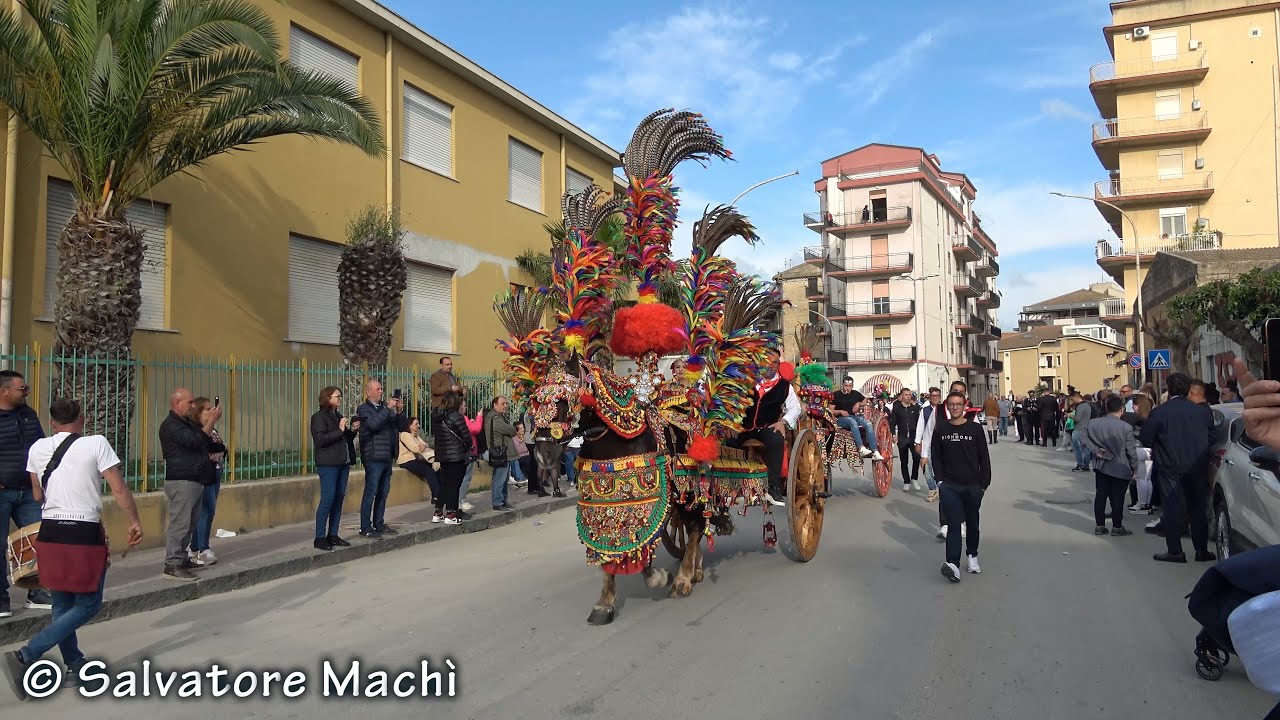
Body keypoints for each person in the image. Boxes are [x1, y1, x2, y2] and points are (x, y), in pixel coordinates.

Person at [3, 398, 142, 700]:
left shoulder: (37, 448)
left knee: (62, 605)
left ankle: (76, 665)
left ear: (52, 422)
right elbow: (118, 487)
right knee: (89, 604)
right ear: (82, 418)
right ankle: (27, 654)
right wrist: (133, 521)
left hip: (50, 530)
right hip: (83, 530)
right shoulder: (96, 443)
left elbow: (38, 494)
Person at [1139, 372, 1216, 563]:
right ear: (1187, 389)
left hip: (1169, 466)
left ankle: (1175, 551)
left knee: (1171, 508)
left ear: (1169, 388)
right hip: (1197, 465)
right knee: (1197, 508)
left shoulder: (1160, 412)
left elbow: (1146, 438)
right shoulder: (1202, 411)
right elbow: (1211, 437)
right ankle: (1201, 550)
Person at [0, 369, 52, 615]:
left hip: (28, 493)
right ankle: (1, 599)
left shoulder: (28, 415)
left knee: (38, 541)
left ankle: (37, 591)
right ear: (4, 391)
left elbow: (41, 448)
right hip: (2, 492)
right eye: (23, 388)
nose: (27, 392)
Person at [159, 388, 221, 582]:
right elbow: (195, 442)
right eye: (190, 402)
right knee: (180, 524)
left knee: (190, 524)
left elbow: (208, 443)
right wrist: (211, 421)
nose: (193, 406)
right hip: (181, 481)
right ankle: (172, 564)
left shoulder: (187, 424)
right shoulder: (171, 426)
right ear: (177, 403)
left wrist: (209, 425)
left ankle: (182, 558)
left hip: (194, 480)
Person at [728, 347, 802, 507]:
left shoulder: (785, 386)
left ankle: (773, 487)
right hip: (744, 427)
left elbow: (796, 408)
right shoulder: (746, 381)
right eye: (766, 361)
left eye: (774, 362)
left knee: (776, 440)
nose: (770, 365)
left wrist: (783, 422)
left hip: (768, 426)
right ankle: (727, 486)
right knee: (726, 440)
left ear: (778, 365)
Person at [931, 392, 991, 582]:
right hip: (949, 486)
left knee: (973, 524)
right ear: (947, 407)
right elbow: (936, 457)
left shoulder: (975, 429)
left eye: (958, 404)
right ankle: (953, 565)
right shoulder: (941, 428)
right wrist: (940, 481)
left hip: (973, 486)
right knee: (954, 524)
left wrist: (984, 484)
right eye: (951, 404)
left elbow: (984, 457)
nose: (955, 407)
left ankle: (972, 556)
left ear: (964, 406)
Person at [310, 386, 360, 551]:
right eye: (337, 396)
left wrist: (352, 429)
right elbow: (320, 440)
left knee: (338, 498)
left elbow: (345, 438)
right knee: (327, 499)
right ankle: (319, 537)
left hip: (342, 462)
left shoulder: (337, 415)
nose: (340, 399)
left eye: (340, 396)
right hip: (328, 463)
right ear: (327, 398)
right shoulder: (318, 417)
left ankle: (333, 534)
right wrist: (339, 429)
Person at [1080, 395, 1137, 537]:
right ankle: (1117, 526)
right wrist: (1134, 468)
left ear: (1106, 408)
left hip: (1101, 464)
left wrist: (1096, 450)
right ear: (1122, 409)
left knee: (1101, 495)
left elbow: (1083, 438)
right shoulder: (1126, 427)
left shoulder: (1093, 423)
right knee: (1118, 497)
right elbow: (1131, 450)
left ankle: (1100, 525)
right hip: (1120, 465)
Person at [357, 379, 404, 539]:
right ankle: (365, 526)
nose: (380, 391)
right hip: (373, 456)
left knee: (383, 492)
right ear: (368, 392)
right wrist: (388, 408)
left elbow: (399, 426)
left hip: (386, 456)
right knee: (371, 492)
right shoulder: (364, 409)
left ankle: (379, 523)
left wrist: (398, 412)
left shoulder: (385, 408)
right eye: (377, 389)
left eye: (381, 388)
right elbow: (373, 425)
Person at [188, 397, 226, 566]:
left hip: (215, 473)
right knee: (206, 511)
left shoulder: (212, 428)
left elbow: (221, 446)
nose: (212, 411)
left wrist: (222, 451)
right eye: (208, 409)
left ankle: (195, 547)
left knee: (209, 511)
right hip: (205, 475)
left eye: (213, 408)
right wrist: (218, 450)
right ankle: (203, 549)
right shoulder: (197, 429)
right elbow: (204, 446)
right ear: (198, 413)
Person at [431, 391, 471, 524]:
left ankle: (438, 512)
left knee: (444, 484)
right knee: (454, 485)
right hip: (456, 455)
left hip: (442, 455)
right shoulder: (456, 416)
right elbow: (466, 436)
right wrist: (468, 445)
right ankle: (451, 514)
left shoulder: (436, 417)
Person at [832, 376, 878, 460]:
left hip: (852, 416)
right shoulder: (836, 394)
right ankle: (860, 448)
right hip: (840, 419)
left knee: (868, 423)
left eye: (849, 386)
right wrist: (840, 411)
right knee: (852, 422)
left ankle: (875, 450)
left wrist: (858, 404)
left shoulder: (855, 394)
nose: (847, 388)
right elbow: (830, 410)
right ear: (843, 385)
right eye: (846, 385)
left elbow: (865, 401)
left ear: (852, 386)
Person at [485, 395, 518, 512]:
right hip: (500, 452)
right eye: (502, 404)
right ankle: (498, 502)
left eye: (506, 403)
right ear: (495, 405)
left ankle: (503, 501)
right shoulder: (495, 418)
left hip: (503, 452)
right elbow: (511, 430)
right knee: (499, 478)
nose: (505, 406)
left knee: (504, 479)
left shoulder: (498, 417)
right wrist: (513, 429)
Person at [397, 415, 440, 504]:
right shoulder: (405, 435)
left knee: (437, 468)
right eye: (416, 424)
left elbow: (425, 445)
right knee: (428, 471)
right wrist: (421, 446)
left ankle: (441, 493)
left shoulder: (415, 435)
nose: (418, 426)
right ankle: (436, 496)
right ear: (410, 425)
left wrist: (422, 446)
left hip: (416, 458)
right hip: (406, 460)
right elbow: (415, 449)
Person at [913, 387, 943, 502]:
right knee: (925, 466)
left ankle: (943, 488)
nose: (935, 398)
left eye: (937, 396)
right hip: (927, 443)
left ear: (940, 397)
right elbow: (920, 426)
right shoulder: (924, 410)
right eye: (933, 396)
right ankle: (932, 488)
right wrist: (917, 442)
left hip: (942, 443)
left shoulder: (944, 410)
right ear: (929, 397)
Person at [889, 388, 922, 491]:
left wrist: (920, 438)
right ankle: (906, 481)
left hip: (914, 437)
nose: (908, 396)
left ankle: (914, 478)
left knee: (916, 458)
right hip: (902, 437)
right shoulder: (897, 408)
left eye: (909, 394)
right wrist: (893, 434)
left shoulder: (915, 408)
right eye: (906, 395)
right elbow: (892, 423)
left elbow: (920, 423)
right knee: (904, 461)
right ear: (901, 396)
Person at [1070, 392, 1094, 473]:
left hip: (1078, 429)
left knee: (1078, 449)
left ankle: (1080, 464)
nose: (1072, 402)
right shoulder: (1087, 405)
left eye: (1072, 399)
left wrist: (1070, 415)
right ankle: (1086, 465)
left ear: (1076, 398)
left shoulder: (1080, 406)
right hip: (1086, 428)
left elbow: (1077, 418)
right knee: (1086, 448)